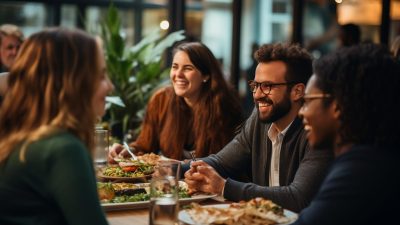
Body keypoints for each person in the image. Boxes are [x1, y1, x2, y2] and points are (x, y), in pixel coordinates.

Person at [184, 43, 334, 213]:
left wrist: (224, 187)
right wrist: (174, 168)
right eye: (255, 85)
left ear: (298, 91)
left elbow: (297, 198)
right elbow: (221, 163)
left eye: (267, 86)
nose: (257, 95)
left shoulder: (317, 131)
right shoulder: (260, 118)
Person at [0, 28, 114, 225]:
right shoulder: (63, 149)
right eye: (101, 75)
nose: (110, 86)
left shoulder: (20, 137)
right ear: (73, 82)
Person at [295, 44, 400, 224]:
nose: (301, 112)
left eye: (307, 101)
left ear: (337, 105)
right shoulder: (376, 157)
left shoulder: (363, 169)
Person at [109, 42, 243, 161]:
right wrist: (127, 150)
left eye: (187, 68)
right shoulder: (160, 100)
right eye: (175, 67)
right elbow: (145, 145)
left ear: (206, 75)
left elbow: (229, 162)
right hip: (168, 183)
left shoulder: (225, 107)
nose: (178, 74)